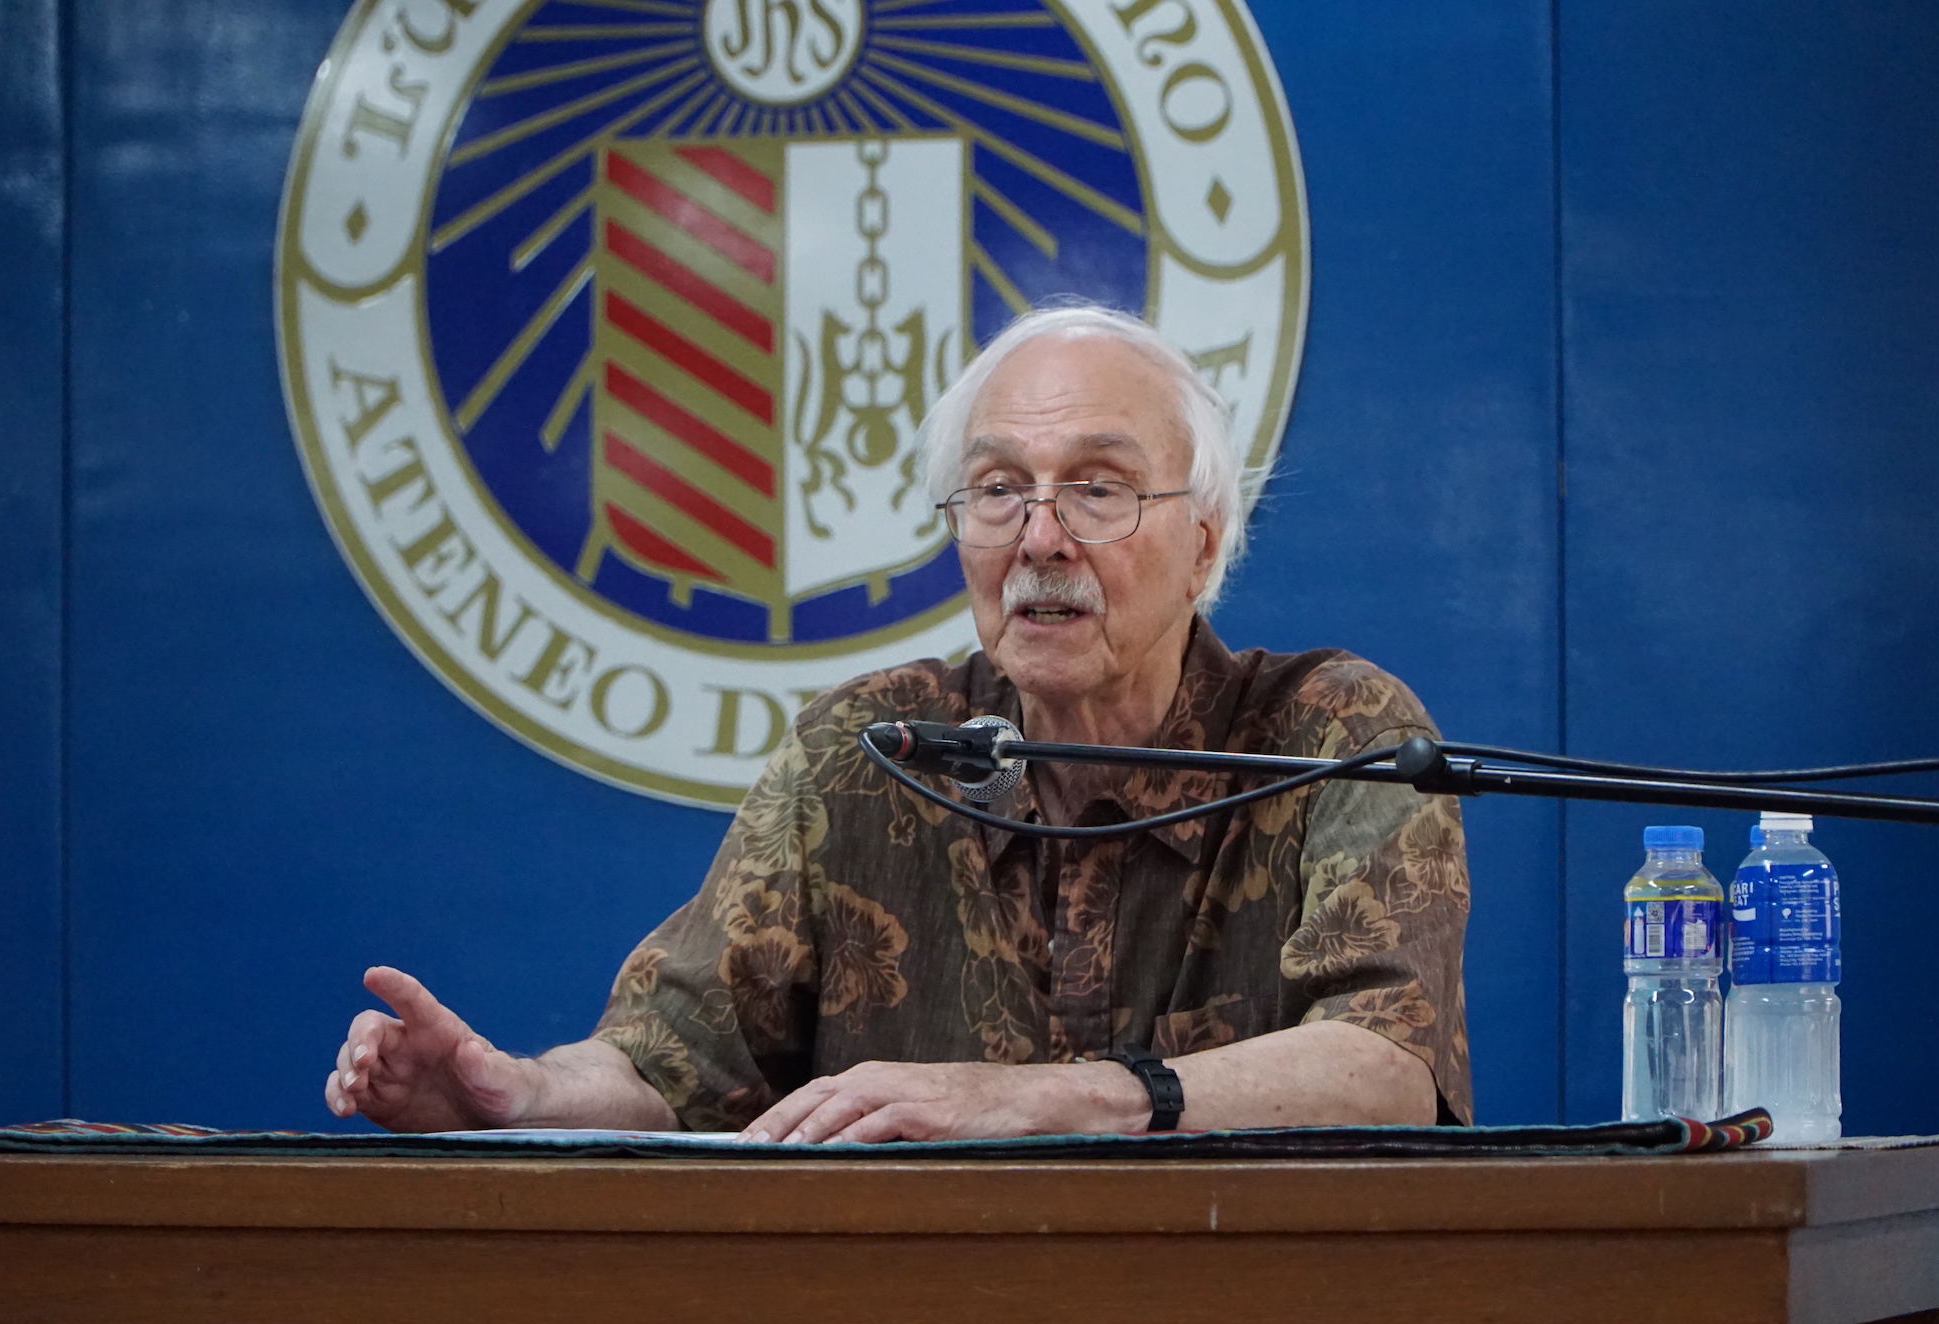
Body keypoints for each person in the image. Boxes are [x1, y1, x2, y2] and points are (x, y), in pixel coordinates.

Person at [327, 304, 1471, 1142]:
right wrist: (510, 1092)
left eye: (1098, 488)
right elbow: (668, 1061)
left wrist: (1050, 1097)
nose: (1038, 537)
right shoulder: (867, 751)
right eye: (994, 488)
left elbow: (1385, 1064)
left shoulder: (1333, 732)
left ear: (1206, 540)